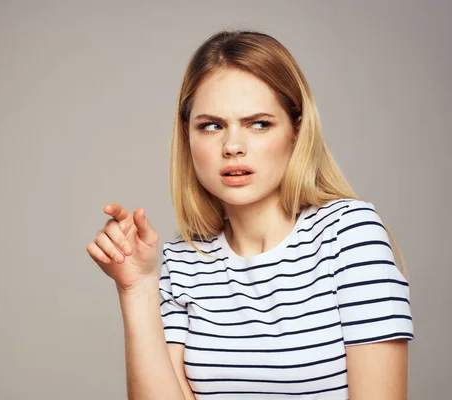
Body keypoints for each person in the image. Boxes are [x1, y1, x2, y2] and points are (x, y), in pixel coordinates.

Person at [86, 30, 414, 400]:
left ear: (296, 131)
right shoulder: (185, 260)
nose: (233, 147)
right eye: (211, 126)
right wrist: (137, 288)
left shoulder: (349, 236)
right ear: (188, 137)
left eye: (259, 123)